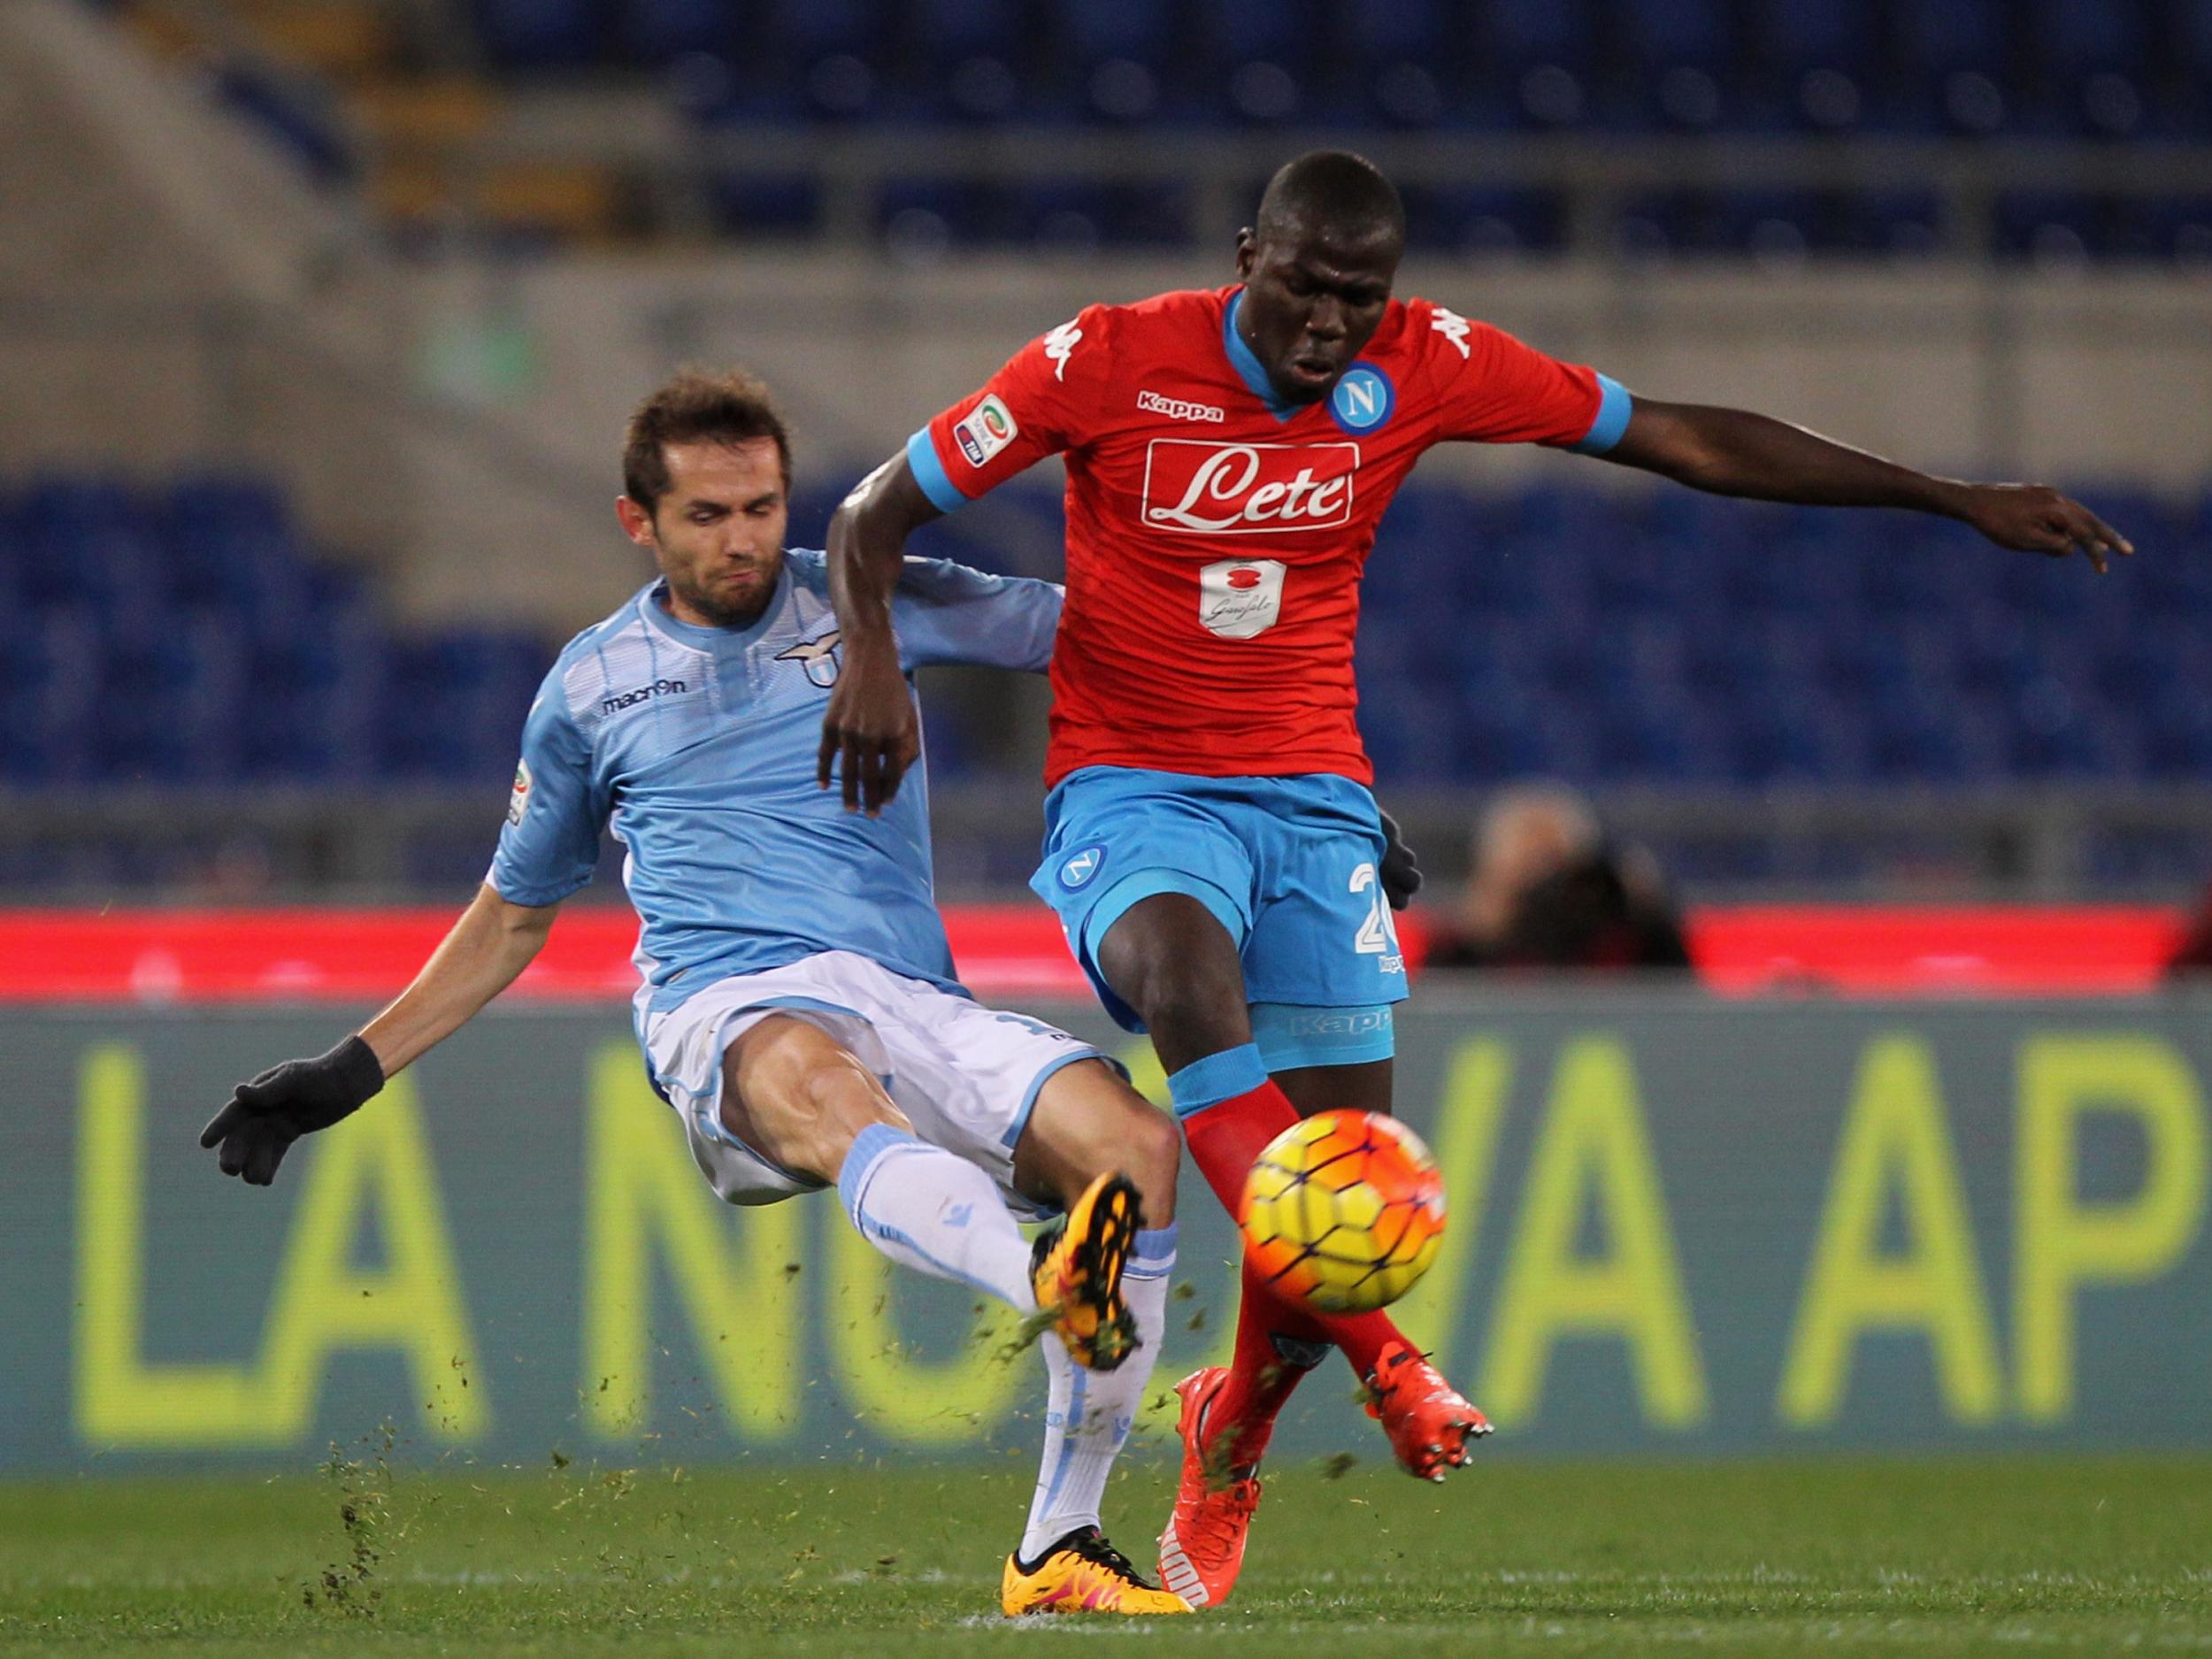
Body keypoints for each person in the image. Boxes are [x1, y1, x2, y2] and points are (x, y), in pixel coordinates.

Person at [817, 150, 2129, 1608]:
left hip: (1313, 803)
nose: (1327, 325)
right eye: (1303, 286)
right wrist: (873, 655)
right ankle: (1395, 1368)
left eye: (1357, 300)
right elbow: (874, 513)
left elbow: (1681, 438)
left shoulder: (1427, 361)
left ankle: (1232, 1423)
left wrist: (1952, 499)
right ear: (1248, 251)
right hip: (1132, 785)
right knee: (1191, 991)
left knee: (1347, 1176)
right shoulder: (1108, 357)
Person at [197, 370, 1193, 1619]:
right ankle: (1044, 1282)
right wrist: (350, 1067)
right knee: (831, 1088)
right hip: (728, 1004)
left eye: (765, 508)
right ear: (640, 522)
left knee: (1137, 1146)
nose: (745, 539)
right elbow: (515, 911)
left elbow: (1108, 634)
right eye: (710, 514)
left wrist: (1312, 784)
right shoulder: (590, 687)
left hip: (908, 990)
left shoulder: (862, 597)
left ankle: (1062, 1539)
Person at [1425, 785, 1690, 971]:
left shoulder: (1624, 939)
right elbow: (1435, 1014)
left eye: (1554, 861)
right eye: (1527, 862)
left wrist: (1642, 907)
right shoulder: (1463, 947)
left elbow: (1677, 995)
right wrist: (1481, 931)